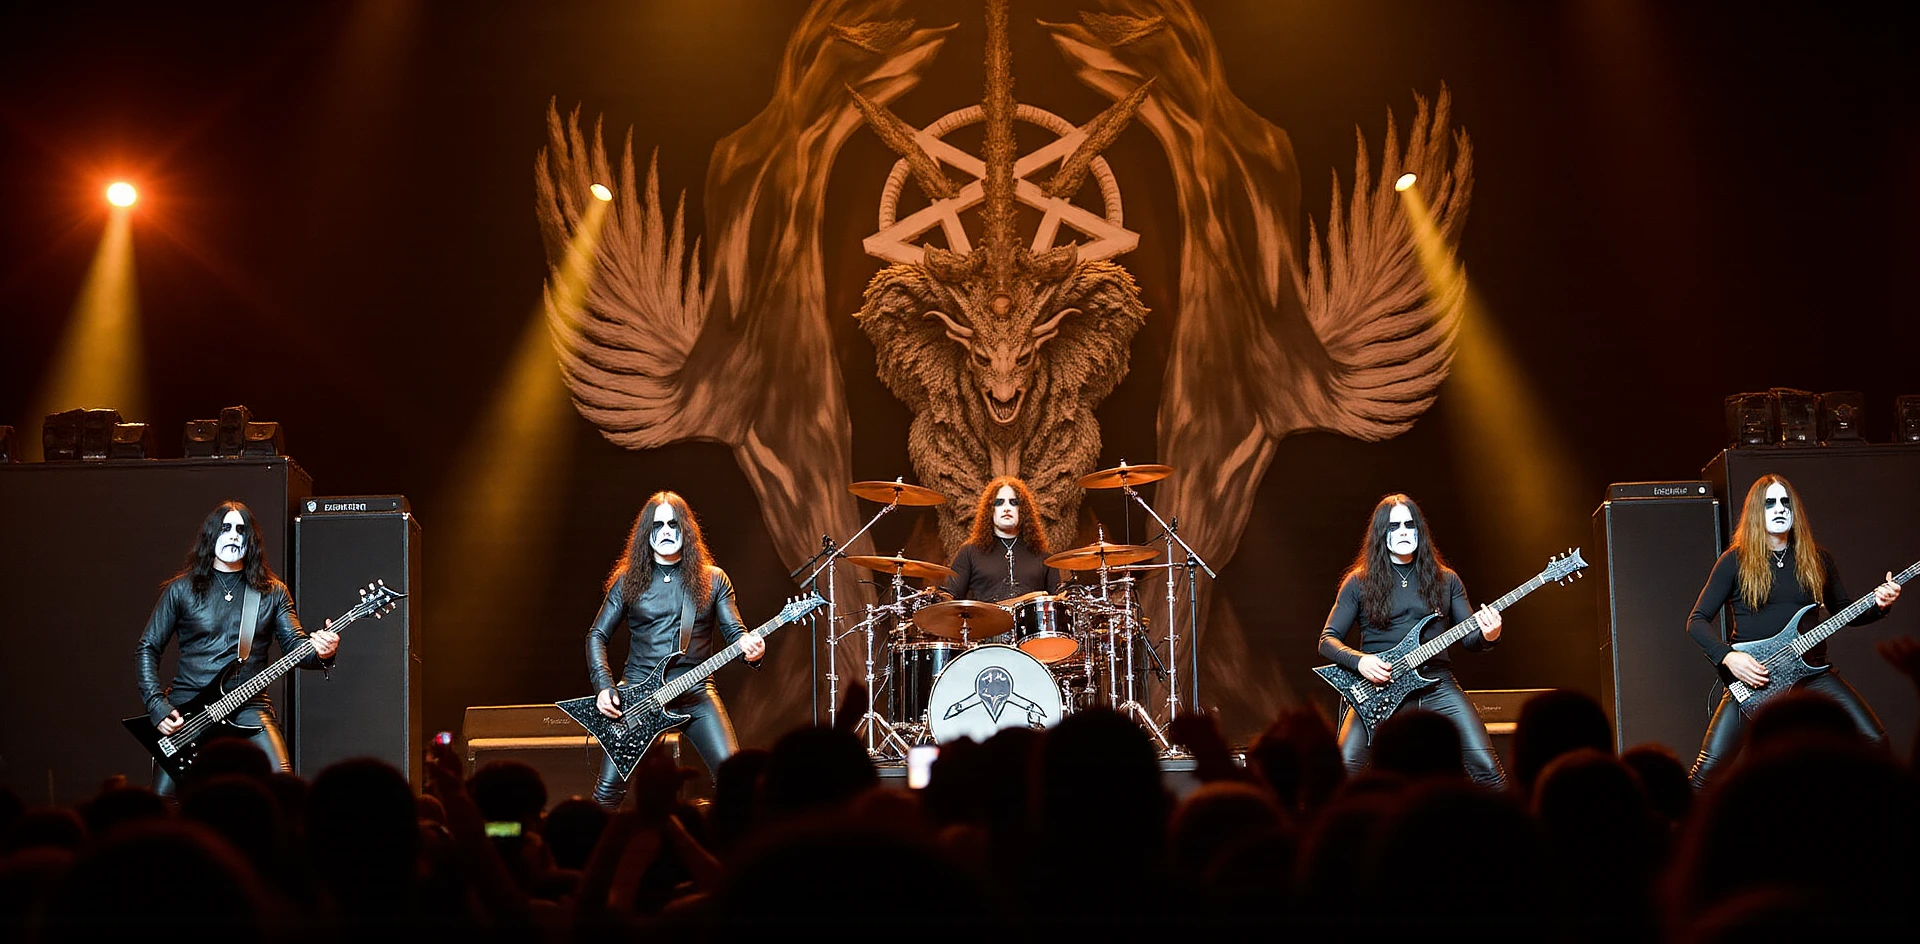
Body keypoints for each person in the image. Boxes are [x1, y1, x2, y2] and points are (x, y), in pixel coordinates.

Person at [1685, 474, 1900, 788]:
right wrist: (1730, 658)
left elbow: (1844, 612)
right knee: (1706, 775)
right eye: (1770, 503)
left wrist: (1880, 604)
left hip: (1812, 673)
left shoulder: (1817, 559)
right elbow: (1697, 620)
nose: (1779, 508)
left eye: (1785, 502)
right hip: (1756, 676)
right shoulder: (1735, 561)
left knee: (1874, 742)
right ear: (1757, 513)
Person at [135, 501, 340, 796]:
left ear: (251, 540)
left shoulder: (271, 592)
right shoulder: (181, 589)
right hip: (187, 707)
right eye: (225, 528)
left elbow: (296, 646)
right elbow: (147, 647)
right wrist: (157, 706)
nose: (233, 535)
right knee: (164, 802)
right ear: (211, 536)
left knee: (283, 785)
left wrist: (323, 650)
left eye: (241, 530)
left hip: (248, 703)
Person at [587, 491, 765, 810]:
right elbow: (597, 635)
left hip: (696, 691)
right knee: (608, 792)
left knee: (735, 780)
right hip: (640, 695)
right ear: (646, 534)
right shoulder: (628, 581)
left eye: (674, 523)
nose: (667, 530)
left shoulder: (713, 580)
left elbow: (736, 634)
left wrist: (753, 650)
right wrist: (604, 687)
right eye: (658, 525)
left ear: (686, 530)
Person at [1317, 494, 1506, 788]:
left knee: (1487, 769)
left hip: (1436, 682)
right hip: (1378, 686)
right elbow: (1327, 640)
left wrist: (1489, 634)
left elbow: (1471, 639)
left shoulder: (1447, 580)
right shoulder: (1358, 581)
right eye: (1394, 527)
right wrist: (1361, 661)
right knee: (1342, 772)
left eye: (1410, 524)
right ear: (1382, 534)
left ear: (1420, 530)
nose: (1404, 531)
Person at [941, 475, 1061, 605]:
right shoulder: (969, 551)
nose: (1006, 508)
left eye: (1013, 502)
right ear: (990, 510)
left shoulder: (1043, 555)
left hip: (1030, 625)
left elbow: (1058, 601)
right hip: (985, 624)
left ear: (1023, 510)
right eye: (999, 502)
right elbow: (951, 596)